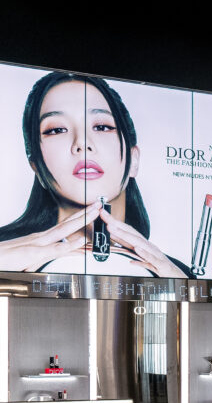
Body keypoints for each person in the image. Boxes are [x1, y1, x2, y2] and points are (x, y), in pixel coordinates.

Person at [0, 71, 191, 278]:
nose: (82, 143)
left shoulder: (176, 273)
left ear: (134, 160)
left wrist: (185, 288)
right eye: (57, 130)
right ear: (36, 167)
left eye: (102, 126)